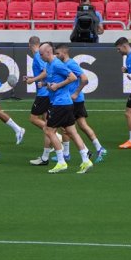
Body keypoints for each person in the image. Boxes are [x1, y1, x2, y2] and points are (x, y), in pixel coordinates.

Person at [38, 42, 94, 174]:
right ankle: (86, 160)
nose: (40, 57)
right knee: (72, 131)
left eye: (41, 54)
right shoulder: (49, 65)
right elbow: (55, 80)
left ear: (48, 52)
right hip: (64, 103)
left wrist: (57, 86)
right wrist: (46, 84)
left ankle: (61, 162)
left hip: (60, 104)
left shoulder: (57, 64)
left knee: (49, 130)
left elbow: (73, 77)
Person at [54, 43, 107, 162]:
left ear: (64, 53)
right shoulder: (65, 64)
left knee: (67, 127)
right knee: (78, 126)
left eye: (57, 53)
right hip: (74, 100)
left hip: (74, 100)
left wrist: (76, 93)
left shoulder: (71, 63)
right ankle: (97, 148)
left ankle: (75, 152)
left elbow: (84, 79)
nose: (56, 56)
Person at [23, 36, 53, 166]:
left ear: (30, 45)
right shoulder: (39, 56)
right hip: (48, 92)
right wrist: (32, 77)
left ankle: (55, 136)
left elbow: (46, 73)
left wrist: (33, 80)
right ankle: (46, 155)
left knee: (34, 119)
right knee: (47, 120)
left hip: (44, 94)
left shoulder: (36, 56)